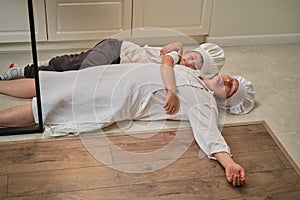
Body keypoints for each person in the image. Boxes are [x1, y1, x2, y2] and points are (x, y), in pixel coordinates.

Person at [0, 62, 255, 186]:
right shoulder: (191, 73)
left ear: (225, 102)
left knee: (56, 103)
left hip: (119, 96)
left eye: (231, 89)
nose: (228, 81)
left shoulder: (204, 103)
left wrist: (229, 163)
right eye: (231, 79)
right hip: (114, 75)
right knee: (56, 83)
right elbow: (166, 60)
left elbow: (209, 135)